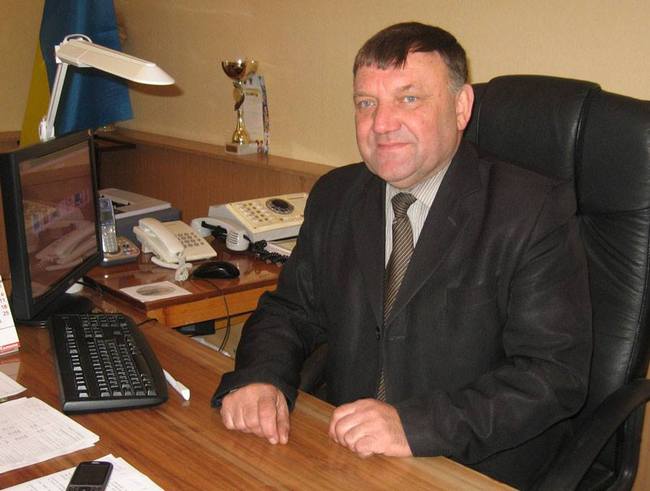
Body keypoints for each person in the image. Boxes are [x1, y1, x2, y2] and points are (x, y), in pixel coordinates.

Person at [212, 22, 592, 489]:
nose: (381, 123)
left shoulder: (531, 211)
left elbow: (552, 376)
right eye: (366, 103)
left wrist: (413, 426)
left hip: (472, 465)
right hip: (345, 453)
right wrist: (259, 378)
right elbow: (290, 311)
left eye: (408, 98)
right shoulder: (336, 195)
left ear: (460, 107)